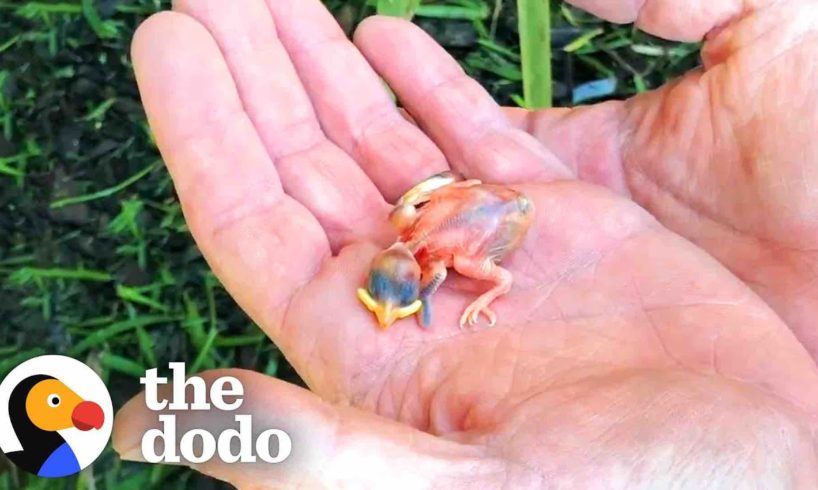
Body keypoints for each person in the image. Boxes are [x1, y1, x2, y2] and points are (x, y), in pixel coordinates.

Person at [113, 0, 818, 487]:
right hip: (470, 205)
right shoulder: (415, 234)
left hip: (494, 211)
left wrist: (479, 303)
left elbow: (499, 277)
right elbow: (418, 214)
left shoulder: (450, 257)